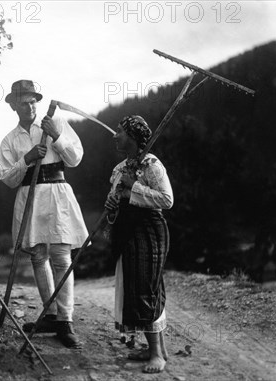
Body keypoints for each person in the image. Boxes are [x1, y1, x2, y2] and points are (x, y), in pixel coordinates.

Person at [0, 80, 89, 348]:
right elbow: (6, 178)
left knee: (62, 255)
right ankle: (49, 315)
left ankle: (65, 319)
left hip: (58, 192)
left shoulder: (55, 123)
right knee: (39, 256)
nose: (30, 106)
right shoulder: (10, 140)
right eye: (24, 102)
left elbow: (75, 158)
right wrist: (25, 160)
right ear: (14, 105)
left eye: (33, 101)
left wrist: (56, 138)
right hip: (30, 195)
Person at [104, 115, 173, 373]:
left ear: (132, 136)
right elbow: (115, 201)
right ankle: (157, 348)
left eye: (119, 131)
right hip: (126, 231)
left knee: (146, 288)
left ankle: (157, 355)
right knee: (134, 288)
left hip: (149, 231)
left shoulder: (152, 165)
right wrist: (112, 204)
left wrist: (134, 187)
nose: (114, 135)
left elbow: (167, 200)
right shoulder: (120, 168)